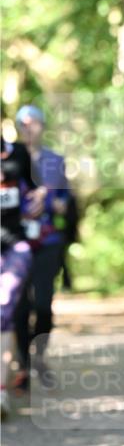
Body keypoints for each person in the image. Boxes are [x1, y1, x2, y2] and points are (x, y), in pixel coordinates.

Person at [13, 105, 71, 389]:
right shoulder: (8, 157)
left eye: (34, 123)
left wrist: (56, 202)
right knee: (20, 308)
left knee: (43, 304)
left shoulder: (54, 161)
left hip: (48, 240)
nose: (28, 128)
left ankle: (39, 356)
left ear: (42, 126)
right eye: (23, 124)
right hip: (15, 241)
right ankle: (23, 363)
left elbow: (66, 199)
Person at [1, 136, 42, 419]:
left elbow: (37, 188)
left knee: (3, 308)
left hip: (15, 244)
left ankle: (1, 390)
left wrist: (39, 198)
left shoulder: (18, 154)